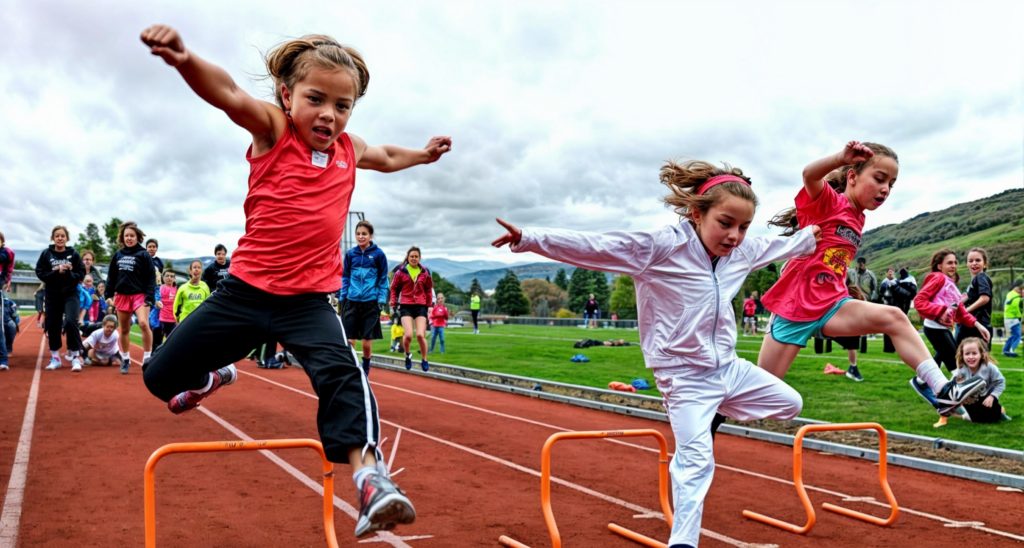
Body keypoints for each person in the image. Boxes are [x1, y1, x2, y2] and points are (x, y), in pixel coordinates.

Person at [138, 25, 450, 537]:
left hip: (307, 302)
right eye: (316, 99)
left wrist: (424, 153)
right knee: (158, 379)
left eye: (343, 105)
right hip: (243, 295)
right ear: (287, 96)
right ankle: (212, 377)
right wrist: (184, 59)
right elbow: (228, 94)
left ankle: (371, 478)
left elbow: (389, 158)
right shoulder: (273, 131)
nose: (329, 113)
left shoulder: (350, 150)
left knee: (344, 374)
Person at [492, 157, 820, 548]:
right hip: (683, 377)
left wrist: (829, 222)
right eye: (726, 223)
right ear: (697, 214)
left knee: (790, 402)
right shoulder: (661, 247)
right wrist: (529, 238)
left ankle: (716, 408)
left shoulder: (741, 252)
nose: (735, 236)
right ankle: (683, 542)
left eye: (744, 227)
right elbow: (598, 246)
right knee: (696, 463)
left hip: (729, 369)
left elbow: (789, 244)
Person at [755, 141, 986, 421]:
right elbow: (809, 175)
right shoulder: (828, 202)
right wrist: (840, 157)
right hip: (794, 310)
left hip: (832, 306)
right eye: (879, 179)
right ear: (851, 176)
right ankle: (707, 420)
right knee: (757, 397)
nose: (886, 189)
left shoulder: (858, 218)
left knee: (895, 317)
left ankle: (940, 388)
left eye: (891, 184)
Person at [915, 249, 989, 375]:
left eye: (955, 263)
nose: (953, 266)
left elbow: (961, 312)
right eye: (949, 263)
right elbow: (919, 301)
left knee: (954, 361)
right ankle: (963, 390)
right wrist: (941, 311)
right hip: (934, 328)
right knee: (957, 367)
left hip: (943, 329)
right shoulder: (938, 278)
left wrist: (978, 325)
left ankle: (922, 381)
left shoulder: (952, 286)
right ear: (940, 266)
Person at [339, 220, 389, 376]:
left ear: (370, 235)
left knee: (367, 343)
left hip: (370, 303)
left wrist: (381, 299)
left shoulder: (379, 255)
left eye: (364, 234)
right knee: (350, 342)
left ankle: (366, 367)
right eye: (358, 234)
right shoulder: (350, 255)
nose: (361, 237)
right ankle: (353, 369)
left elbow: (383, 279)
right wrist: (343, 296)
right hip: (352, 302)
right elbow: (345, 277)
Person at [107, 221, 157, 371]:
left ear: (137, 237)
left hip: (140, 295)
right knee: (124, 329)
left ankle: (147, 357)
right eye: (126, 236)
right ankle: (126, 358)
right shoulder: (118, 255)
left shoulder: (143, 254)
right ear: (123, 238)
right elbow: (112, 276)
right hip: (122, 295)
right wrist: (108, 293)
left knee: (143, 323)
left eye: (132, 236)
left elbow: (150, 277)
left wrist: (150, 296)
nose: (129, 238)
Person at [36, 226, 86, 371]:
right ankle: (55, 358)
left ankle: (76, 357)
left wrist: (70, 272)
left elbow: (81, 273)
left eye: (62, 236)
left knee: (71, 321)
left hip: (71, 293)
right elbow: (40, 273)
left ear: (66, 238)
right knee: (53, 325)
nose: (60, 238)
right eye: (57, 236)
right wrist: (55, 271)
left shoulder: (73, 254)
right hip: (52, 294)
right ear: (53, 237)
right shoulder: (46, 254)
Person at [389, 247, 434, 371]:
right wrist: (393, 302)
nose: (414, 258)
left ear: (419, 258)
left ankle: (424, 359)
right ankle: (408, 355)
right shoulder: (401, 272)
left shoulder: (424, 272)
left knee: (420, 335)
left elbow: (428, 289)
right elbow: (393, 288)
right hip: (406, 305)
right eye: (411, 256)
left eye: (416, 256)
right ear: (408, 258)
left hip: (420, 305)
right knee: (408, 335)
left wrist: (429, 304)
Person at [950, 338, 1011, 423]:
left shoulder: (990, 368)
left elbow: (1001, 382)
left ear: (981, 354)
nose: (971, 357)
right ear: (962, 355)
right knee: (978, 420)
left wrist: (992, 396)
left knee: (992, 420)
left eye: (974, 353)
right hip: (970, 401)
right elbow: (951, 387)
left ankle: (998, 411)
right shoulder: (961, 370)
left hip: (988, 399)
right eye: (967, 354)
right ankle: (966, 414)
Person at [958, 247, 993, 350]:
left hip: (978, 324)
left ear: (985, 264)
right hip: (971, 324)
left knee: (977, 360)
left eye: (978, 260)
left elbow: (984, 298)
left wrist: (965, 311)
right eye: (971, 261)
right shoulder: (974, 282)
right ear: (967, 264)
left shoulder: (981, 277)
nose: (974, 263)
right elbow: (966, 298)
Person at [155, 270, 178, 350]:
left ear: (174, 279)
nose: (169, 278)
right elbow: (156, 301)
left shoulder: (177, 289)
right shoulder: (160, 288)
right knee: (158, 342)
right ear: (163, 277)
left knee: (170, 341)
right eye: (167, 276)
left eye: (172, 276)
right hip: (161, 319)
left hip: (173, 319)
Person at [1002, 279, 1023, 358]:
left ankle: (1005, 350)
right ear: (1018, 288)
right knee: (1017, 336)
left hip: (1007, 318)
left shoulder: (1010, 294)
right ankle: (1011, 350)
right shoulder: (1017, 298)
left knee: (1013, 336)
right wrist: (1020, 317)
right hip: (1013, 318)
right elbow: (1016, 308)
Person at [0, 296, 19, 371]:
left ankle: (8, 348)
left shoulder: (7, 302)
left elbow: (14, 314)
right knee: (2, 337)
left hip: (7, 320)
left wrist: (15, 323)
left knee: (12, 326)